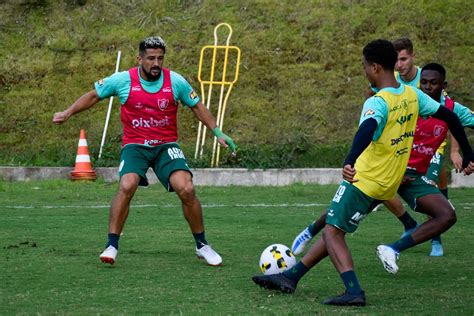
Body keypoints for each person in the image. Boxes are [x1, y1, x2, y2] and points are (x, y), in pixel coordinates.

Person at [251, 39, 474, 306]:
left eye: (365, 67)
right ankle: (291, 277)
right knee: (336, 226)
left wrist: (349, 160)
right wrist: (469, 153)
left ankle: (353, 291)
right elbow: (450, 116)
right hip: (389, 183)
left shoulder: (378, 102)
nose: (364, 71)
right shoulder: (411, 96)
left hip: (364, 180)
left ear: (376, 67)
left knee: (332, 232)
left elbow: (367, 128)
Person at [52, 36, 237, 266]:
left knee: (186, 188)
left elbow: (197, 106)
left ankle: (202, 245)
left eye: (160, 58)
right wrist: (68, 112)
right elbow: (93, 96)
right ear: (140, 59)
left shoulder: (175, 81)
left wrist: (217, 132)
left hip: (166, 146)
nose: (156, 63)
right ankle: (111, 245)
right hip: (135, 146)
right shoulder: (123, 80)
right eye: (151, 58)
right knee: (127, 184)